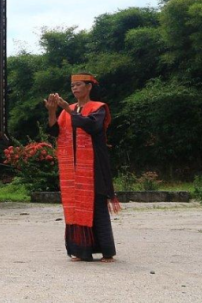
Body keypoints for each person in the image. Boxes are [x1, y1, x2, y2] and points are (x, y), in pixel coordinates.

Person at [45, 72, 121, 263]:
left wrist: (67, 110)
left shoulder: (98, 108)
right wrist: (53, 111)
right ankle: (81, 251)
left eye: (79, 85)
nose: (75, 89)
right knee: (74, 207)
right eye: (73, 86)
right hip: (73, 168)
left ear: (89, 87)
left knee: (96, 207)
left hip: (93, 166)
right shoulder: (68, 109)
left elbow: (90, 126)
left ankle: (107, 252)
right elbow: (55, 130)